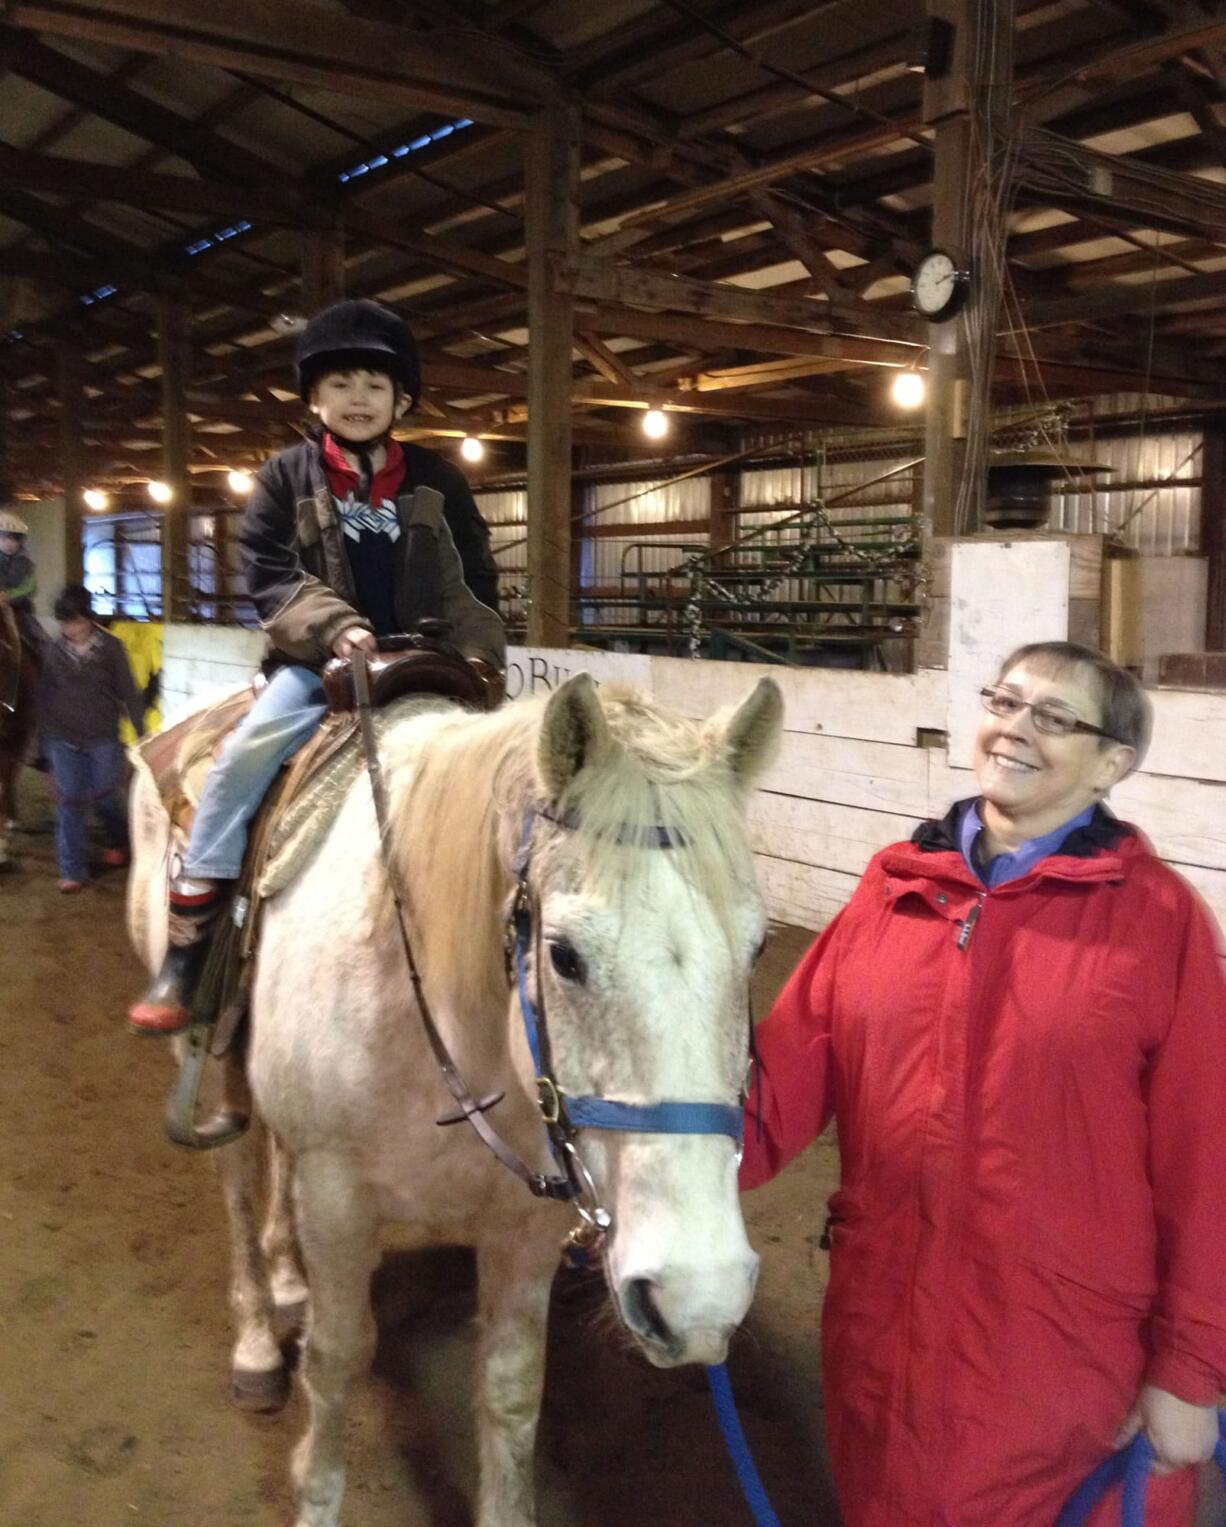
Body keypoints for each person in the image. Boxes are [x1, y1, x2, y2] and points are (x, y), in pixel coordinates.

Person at [741, 641, 1226, 1527]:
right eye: (1004, 701)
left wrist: (1189, 1372)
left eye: (1053, 716)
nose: (1014, 727)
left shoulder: (1159, 925)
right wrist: (637, 1160)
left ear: (1113, 762)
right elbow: (773, 1096)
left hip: (1062, 1369)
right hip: (882, 1342)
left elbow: (1206, 1167)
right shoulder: (891, 893)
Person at [129, 298, 506, 1036]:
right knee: (248, 754)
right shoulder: (283, 477)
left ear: (401, 399)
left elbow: (473, 579)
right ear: (313, 397)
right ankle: (191, 931)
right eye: (340, 384)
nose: (358, 398)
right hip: (316, 662)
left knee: (499, 769)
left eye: (374, 384)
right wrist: (337, 629)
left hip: (426, 656)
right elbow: (268, 573)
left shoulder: (439, 480)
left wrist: (479, 655)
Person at [39, 584, 144, 893]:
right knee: (68, 801)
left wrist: (141, 735)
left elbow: (129, 692)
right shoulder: (53, 651)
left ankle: (117, 838)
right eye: (65, 623)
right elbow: (44, 698)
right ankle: (73, 870)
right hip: (63, 738)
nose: (71, 629)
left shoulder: (111, 648)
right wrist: (44, 750)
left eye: (76, 622)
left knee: (104, 795)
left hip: (102, 736)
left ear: (89, 618)